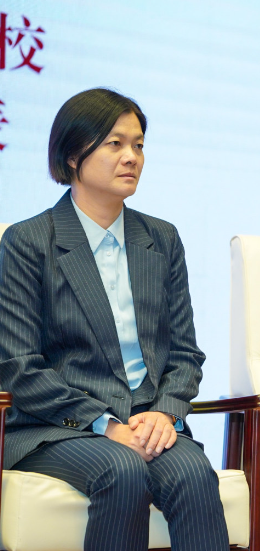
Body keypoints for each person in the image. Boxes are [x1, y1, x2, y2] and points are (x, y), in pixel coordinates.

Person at [0, 88, 229, 551]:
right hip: (56, 427)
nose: (132, 157)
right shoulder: (28, 242)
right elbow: (19, 366)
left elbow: (184, 353)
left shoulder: (161, 239)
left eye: (139, 145)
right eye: (115, 144)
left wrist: (166, 412)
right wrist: (106, 424)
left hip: (147, 419)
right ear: (72, 156)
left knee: (194, 473)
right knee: (120, 470)